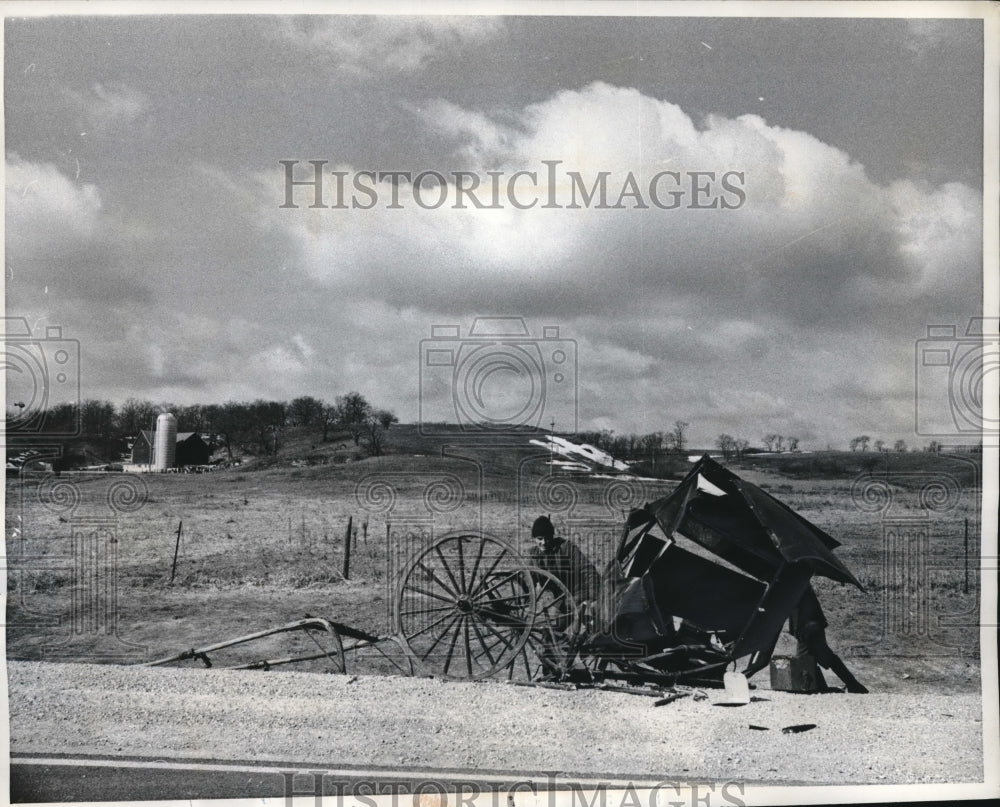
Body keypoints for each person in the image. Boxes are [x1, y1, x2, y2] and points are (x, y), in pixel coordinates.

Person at [789, 584, 868, 694]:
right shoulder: (799, 582)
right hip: (810, 625)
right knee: (818, 656)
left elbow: (806, 607)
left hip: (809, 625)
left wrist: (805, 627)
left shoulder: (799, 583)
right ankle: (846, 684)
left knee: (811, 657)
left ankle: (851, 684)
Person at [528, 515, 601, 609]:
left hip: (580, 594)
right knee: (558, 621)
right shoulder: (534, 557)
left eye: (547, 538)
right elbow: (527, 580)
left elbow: (587, 569)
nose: (544, 542)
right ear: (534, 538)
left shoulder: (566, 548)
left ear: (552, 536)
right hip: (560, 600)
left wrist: (594, 597)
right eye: (540, 539)